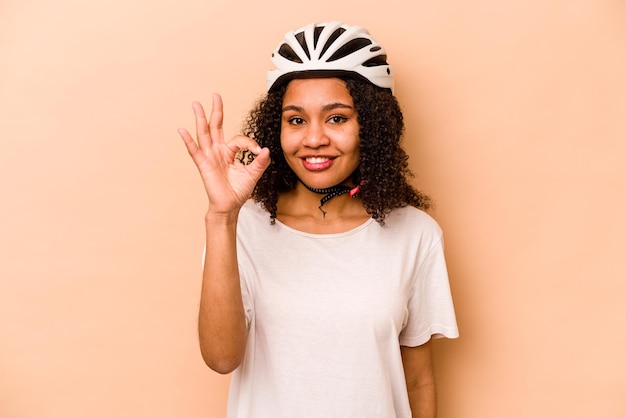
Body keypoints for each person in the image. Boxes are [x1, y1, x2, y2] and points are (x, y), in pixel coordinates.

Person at [178, 21, 458, 418]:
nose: (313, 139)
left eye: (337, 118)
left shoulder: (415, 234)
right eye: (296, 120)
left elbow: (418, 381)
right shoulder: (242, 227)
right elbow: (222, 359)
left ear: (372, 126)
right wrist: (221, 216)